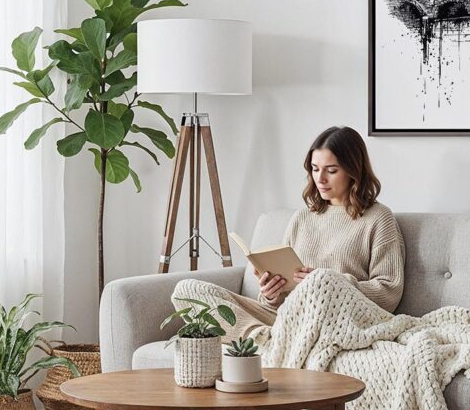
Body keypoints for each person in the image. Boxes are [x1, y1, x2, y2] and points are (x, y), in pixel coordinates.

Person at [171, 125, 405, 344]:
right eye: (315, 169)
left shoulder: (378, 218)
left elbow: (389, 293)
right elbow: (276, 304)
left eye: (331, 171)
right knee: (187, 289)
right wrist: (272, 293)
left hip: (338, 320)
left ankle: (269, 343)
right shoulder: (302, 217)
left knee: (322, 281)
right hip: (287, 318)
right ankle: (262, 339)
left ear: (354, 171)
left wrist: (329, 282)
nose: (320, 179)